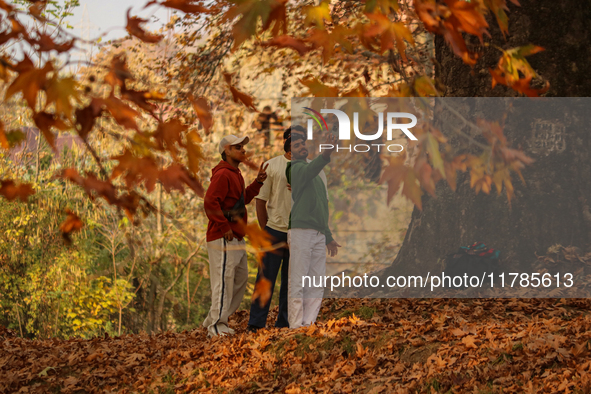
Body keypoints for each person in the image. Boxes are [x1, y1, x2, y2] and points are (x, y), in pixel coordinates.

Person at [202, 134, 268, 337]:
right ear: (227, 150)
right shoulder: (223, 174)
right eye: (238, 147)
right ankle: (216, 326)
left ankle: (214, 320)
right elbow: (210, 203)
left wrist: (257, 183)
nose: (243, 150)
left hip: (236, 236)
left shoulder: (235, 173)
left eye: (243, 147)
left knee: (238, 279)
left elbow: (242, 201)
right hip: (223, 236)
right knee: (224, 279)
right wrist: (224, 227)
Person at [286, 132, 341, 329]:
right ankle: (294, 325)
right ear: (289, 153)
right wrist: (325, 156)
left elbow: (323, 206)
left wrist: (328, 236)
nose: (302, 146)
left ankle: (308, 324)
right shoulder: (294, 168)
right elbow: (307, 172)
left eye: (303, 143)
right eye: (296, 145)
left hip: (318, 233)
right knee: (298, 279)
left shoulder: (318, 173)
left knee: (317, 282)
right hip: (301, 230)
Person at [247, 135, 293, 332]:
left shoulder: (309, 169)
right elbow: (260, 201)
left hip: (297, 232)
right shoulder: (271, 165)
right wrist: (265, 230)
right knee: (265, 279)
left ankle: (284, 322)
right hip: (274, 230)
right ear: (287, 143)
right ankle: (256, 324)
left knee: (290, 281)